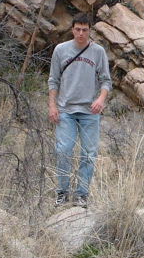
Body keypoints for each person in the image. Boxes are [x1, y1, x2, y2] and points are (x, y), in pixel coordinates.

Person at [48, 13, 112, 208]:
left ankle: (82, 194)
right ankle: (62, 192)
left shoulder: (98, 52)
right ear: (72, 29)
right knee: (64, 151)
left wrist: (100, 99)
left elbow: (106, 80)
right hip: (65, 109)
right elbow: (53, 79)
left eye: (85, 30)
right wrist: (52, 105)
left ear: (90, 30)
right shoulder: (61, 50)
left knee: (89, 153)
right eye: (78, 29)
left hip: (89, 111)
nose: (81, 33)